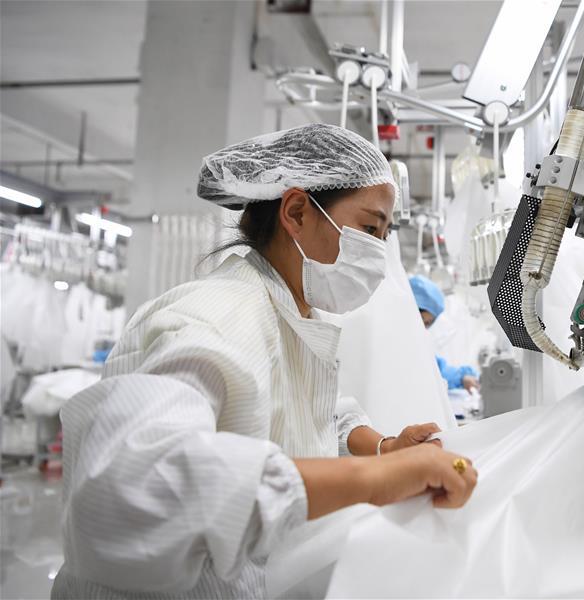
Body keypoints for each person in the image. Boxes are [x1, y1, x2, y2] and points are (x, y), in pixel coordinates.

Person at [52, 124, 477, 599]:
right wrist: (372, 480)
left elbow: (308, 415)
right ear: (296, 212)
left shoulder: (292, 312)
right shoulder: (219, 315)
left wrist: (382, 448)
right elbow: (129, 491)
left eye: (384, 234)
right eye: (369, 229)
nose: (377, 252)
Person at [409, 275, 480, 394]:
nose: (422, 327)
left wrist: (462, 378)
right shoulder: (392, 338)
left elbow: (435, 369)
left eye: (427, 323)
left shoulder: (415, 343)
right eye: (421, 320)